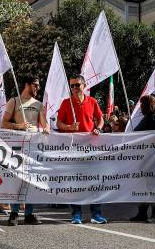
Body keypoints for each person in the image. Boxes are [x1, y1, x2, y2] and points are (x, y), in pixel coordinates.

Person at [56, 75, 107, 225]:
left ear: (84, 85)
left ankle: (96, 214)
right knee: (75, 182)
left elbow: (100, 118)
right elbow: (59, 123)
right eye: (72, 86)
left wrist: (98, 128)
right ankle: (76, 214)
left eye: (77, 85)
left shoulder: (92, 101)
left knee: (94, 181)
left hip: (91, 148)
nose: (74, 88)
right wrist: (69, 127)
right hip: (73, 148)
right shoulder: (66, 103)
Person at [1, 74, 47, 226]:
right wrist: (18, 126)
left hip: (33, 145)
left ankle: (29, 213)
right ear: (27, 85)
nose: (38, 88)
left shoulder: (39, 104)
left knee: (31, 180)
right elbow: (4, 123)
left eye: (38, 85)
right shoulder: (14, 101)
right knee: (18, 179)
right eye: (35, 85)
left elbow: (44, 124)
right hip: (18, 146)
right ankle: (14, 213)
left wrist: (46, 128)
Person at [129, 95, 155, 223]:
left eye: (142, 104)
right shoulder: (146, 118)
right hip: (144, 157)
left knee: (153, 186)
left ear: (148, 105)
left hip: (152, 158)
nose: (140, 107)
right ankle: (142, 212)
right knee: (143, 186)